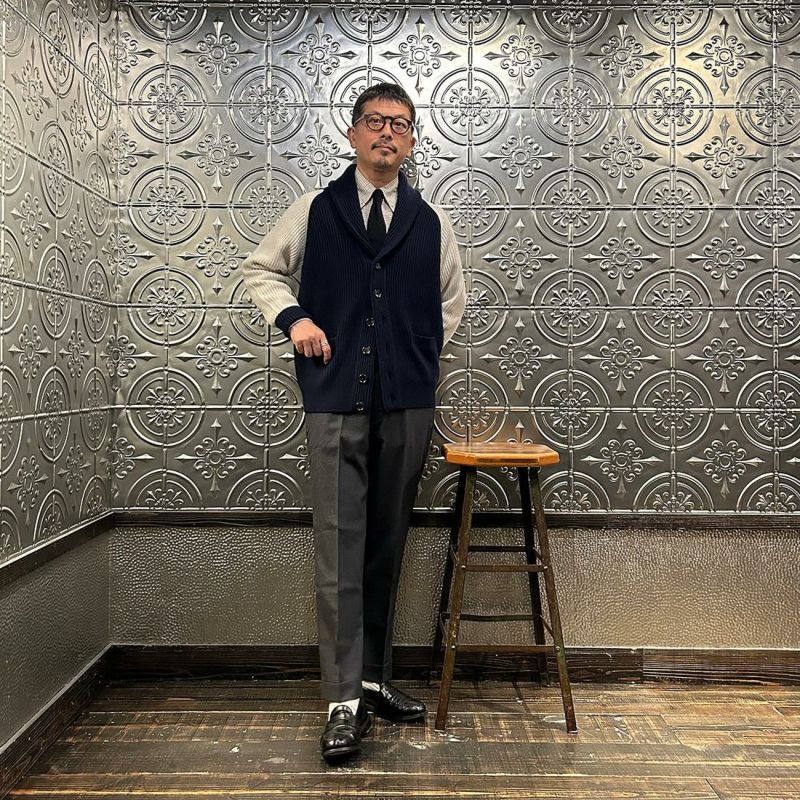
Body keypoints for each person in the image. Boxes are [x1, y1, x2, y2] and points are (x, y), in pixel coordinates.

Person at [241, 82, 466, 762]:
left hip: (407, 403)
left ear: (413, 140)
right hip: (334, 399)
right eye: (375, 121)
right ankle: (342, 699)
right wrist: (294, 319)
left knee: (387, 542)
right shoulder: (314, 209)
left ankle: (372, 679)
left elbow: (451, 304)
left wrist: (413, 353)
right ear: (352, 134)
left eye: (400, 124)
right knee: (339, 545)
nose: (386, 133)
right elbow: (260, 270)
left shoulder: (432, 222)